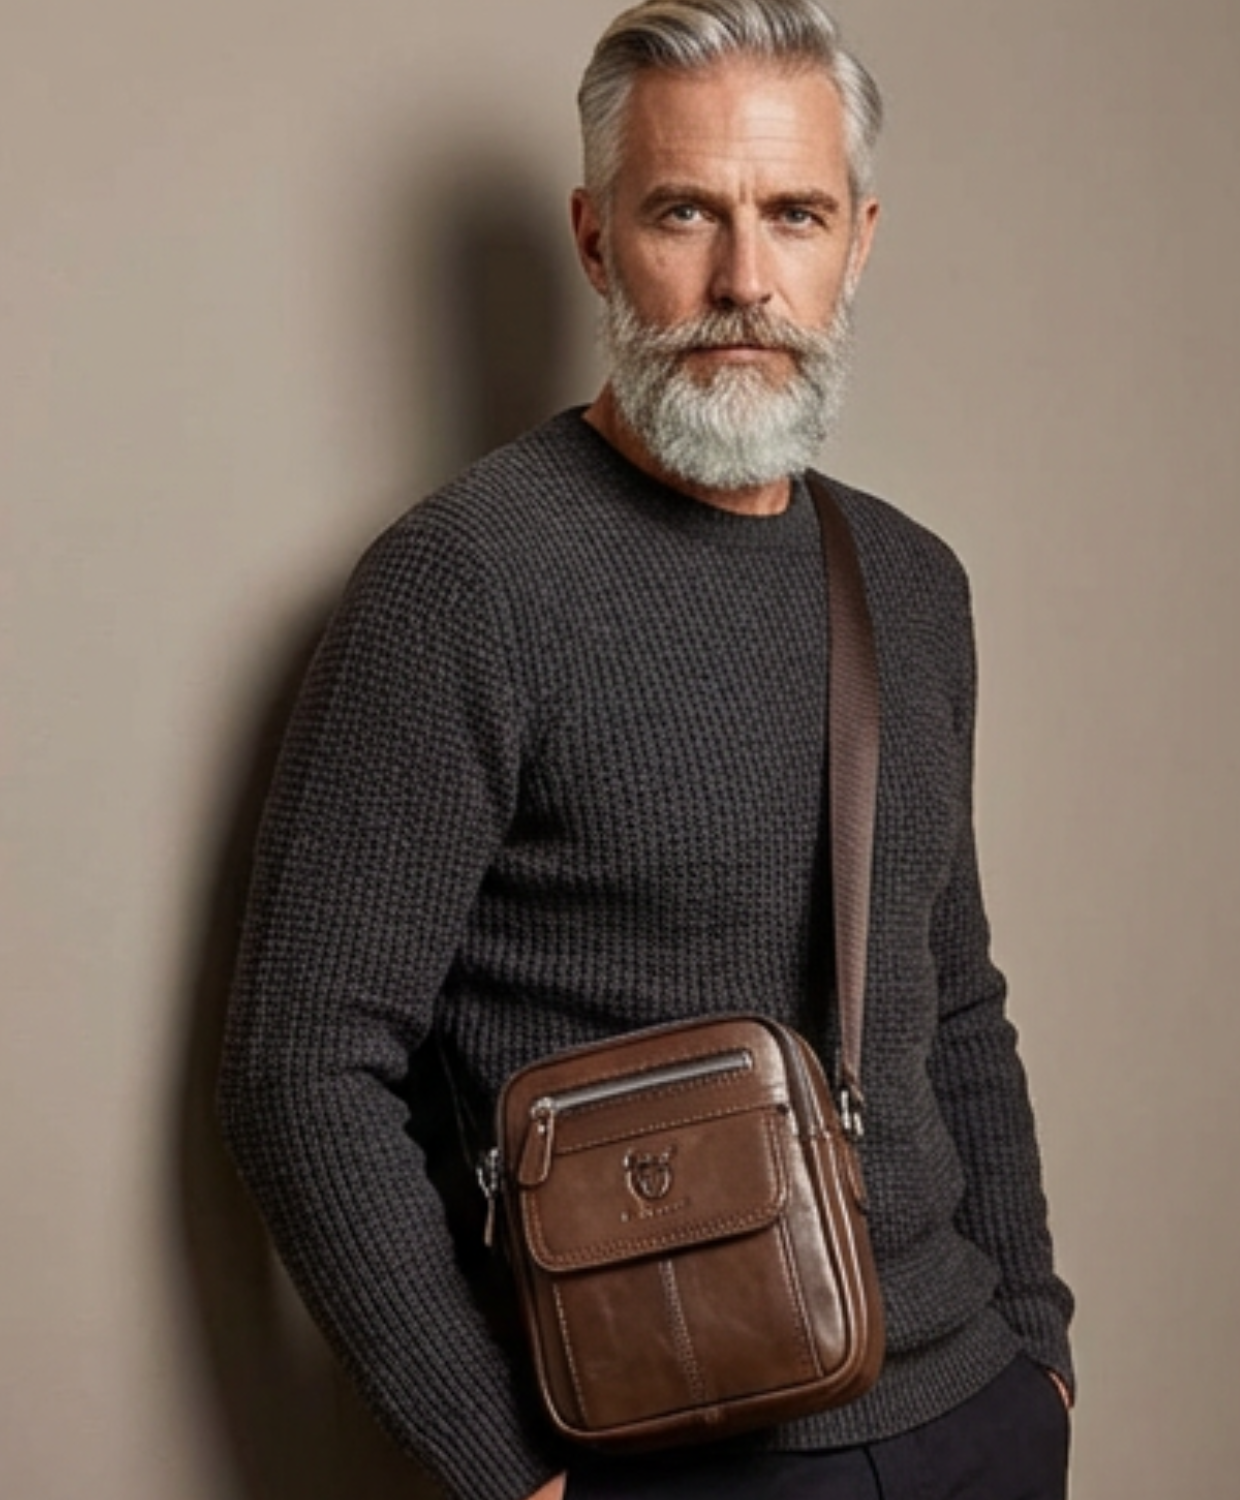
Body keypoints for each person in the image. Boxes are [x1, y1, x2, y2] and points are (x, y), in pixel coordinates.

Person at [219, 2, 1075, 1497]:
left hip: (972, 1422)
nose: (745, 280)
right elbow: (301, 1065)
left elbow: (958, 1002)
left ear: (857, 242)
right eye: (687, 210)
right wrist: (508, 1469)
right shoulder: (468, 583)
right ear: (596, 237)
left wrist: (1039, 1354)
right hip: (667, 1451)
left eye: (793, 215)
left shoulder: (915, 584)